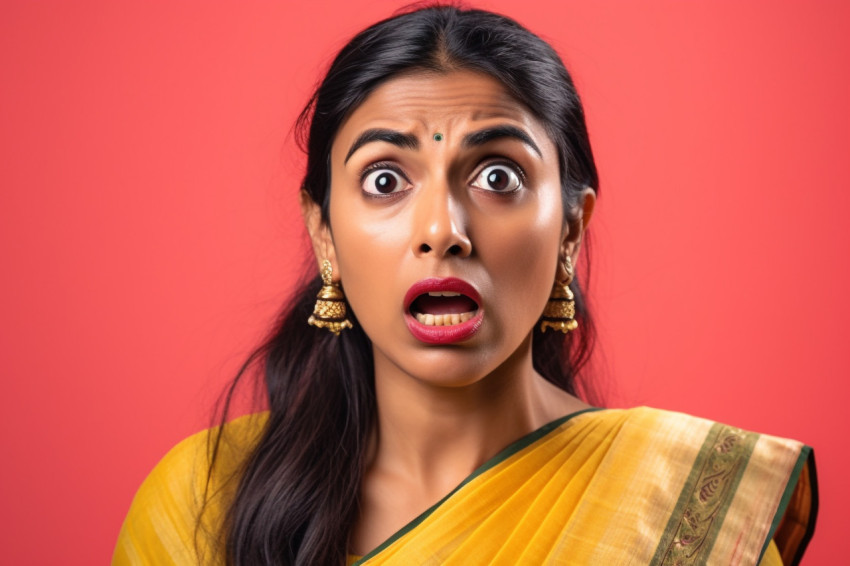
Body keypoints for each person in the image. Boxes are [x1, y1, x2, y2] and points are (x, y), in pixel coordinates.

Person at [113, 5, 817, 565]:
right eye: (385, 180)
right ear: (323, 231)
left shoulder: (680, 501)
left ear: (572, 226)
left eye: (498, 177)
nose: (443, 228)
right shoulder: (201, 504)